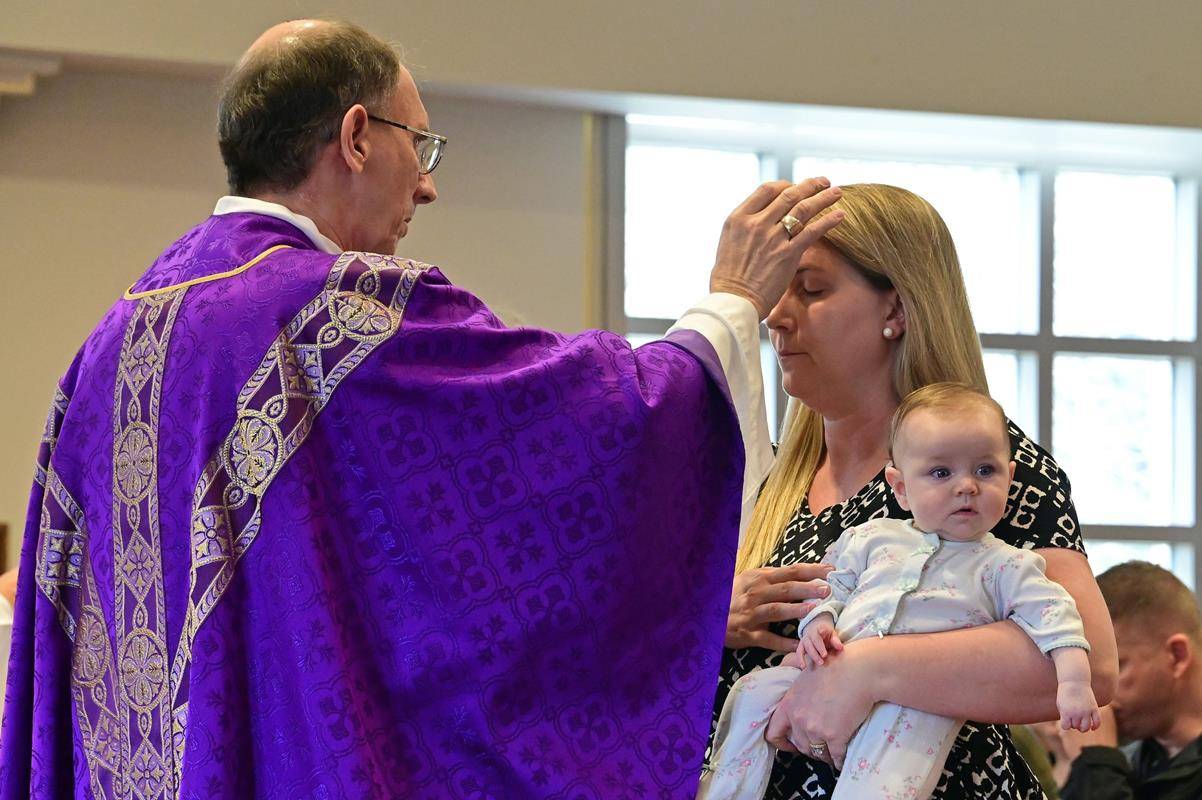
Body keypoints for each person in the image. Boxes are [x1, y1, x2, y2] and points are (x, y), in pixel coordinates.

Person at [0, 19, 847, 800]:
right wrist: (729, 306)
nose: (429, 186)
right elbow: (583, 429)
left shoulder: (113, 340)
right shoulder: (337, 314)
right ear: (357, 136)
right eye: (421, 145)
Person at [716, 183, 1118, 799]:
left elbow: (1089, 663)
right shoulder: (770, 481)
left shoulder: (977, 466)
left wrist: (868, 670)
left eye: (813, 289)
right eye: (778, 290)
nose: (776, 314)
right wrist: (713, 619)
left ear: (896, 312)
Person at [700, 383, 1099, 799]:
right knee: (752, 693)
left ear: (1010, 477)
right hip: (821, 667)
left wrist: (1073, 684)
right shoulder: (873, 538)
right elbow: (834, 584)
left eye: (985, 470)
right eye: (941, 473)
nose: (967, 486)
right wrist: (818, 622)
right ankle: (728, 789)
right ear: (901, 487)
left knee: (885, 779)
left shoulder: (1008, 566)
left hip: (916, 703)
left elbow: (1056, 617)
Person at [1057, 561, 1202, 799]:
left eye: (1117, 666)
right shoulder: (1133, 761)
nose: (1095, 693)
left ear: (1177, 656)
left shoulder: (1107, 765)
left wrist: (1096, 764)